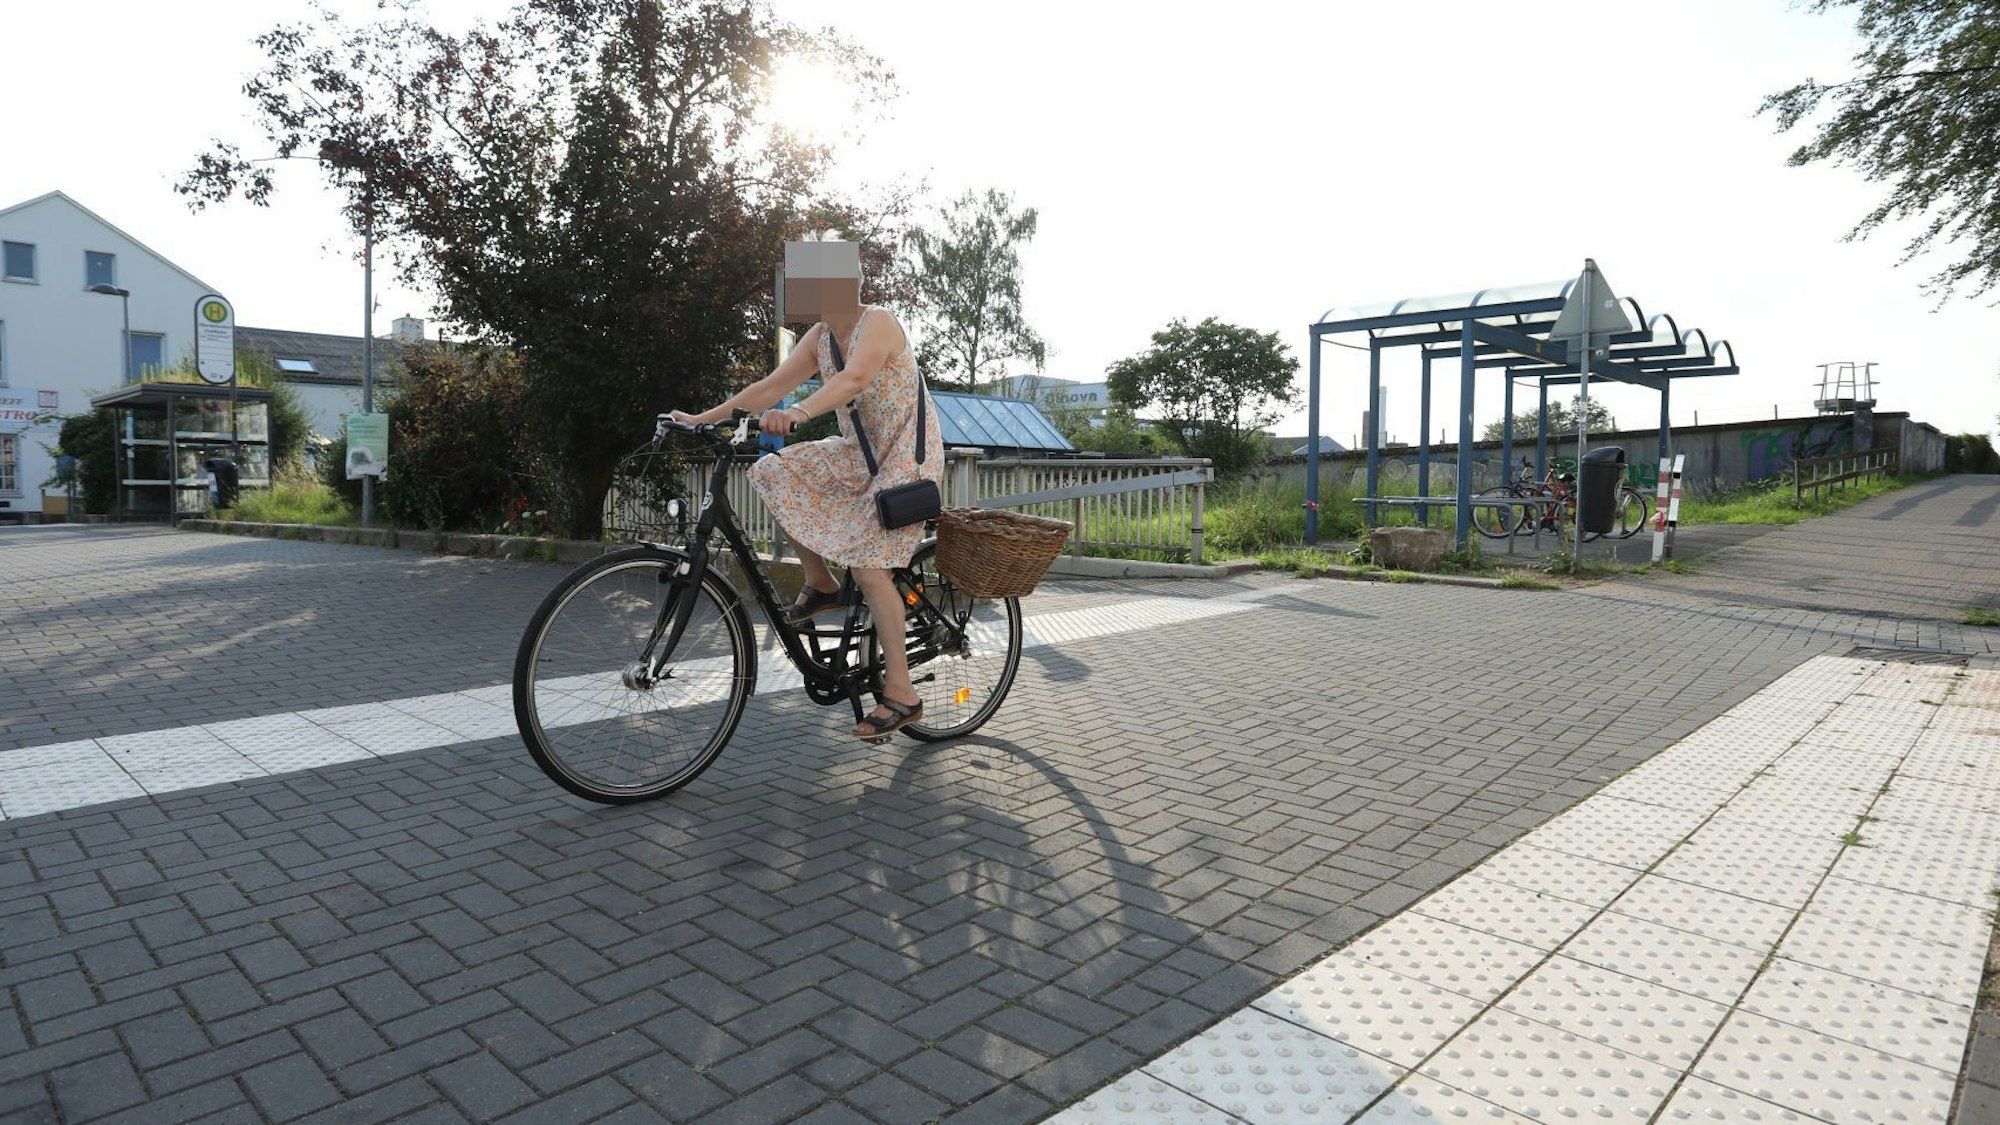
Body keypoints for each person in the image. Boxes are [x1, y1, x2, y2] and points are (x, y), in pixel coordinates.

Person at [670, 251, 943, 741]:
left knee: (869, 565)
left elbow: (855, 379)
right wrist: (700, 419)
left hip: (905, 456)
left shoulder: (877, 322)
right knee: (776, 469)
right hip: (858, 451)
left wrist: (799, 414)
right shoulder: (819, 338)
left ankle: (903, 693)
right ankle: (819, 584)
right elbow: (771, 386)